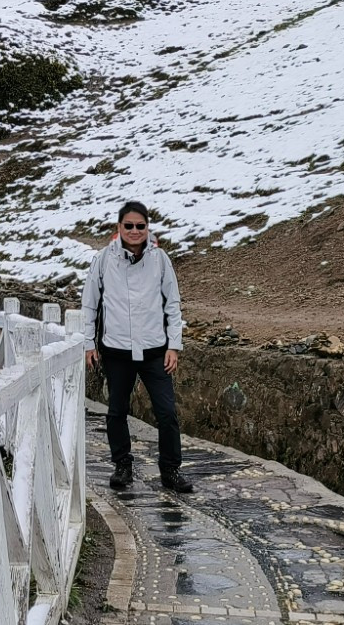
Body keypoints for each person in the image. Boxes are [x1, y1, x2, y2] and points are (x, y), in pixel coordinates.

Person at [82, 200, 192, 494]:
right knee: (117, 411)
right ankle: (122, 465)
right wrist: (88, 344)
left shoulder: (160, 260)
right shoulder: (104, 259)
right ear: (118, 228)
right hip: (117, 350)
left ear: (148, 228)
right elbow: (90, 303)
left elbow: (173, 303)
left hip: (155, 349)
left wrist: (174, 346)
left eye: (140, 226)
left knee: (167, 413)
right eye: (128, 226)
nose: (134, 231)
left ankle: (170, 470)